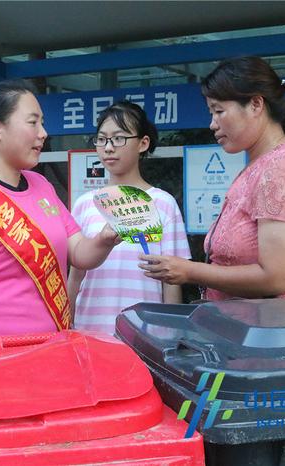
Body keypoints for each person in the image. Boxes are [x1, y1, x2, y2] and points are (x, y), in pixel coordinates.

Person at [0, 79, 120, 338]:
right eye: (33, 122)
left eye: (42, 123)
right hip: (0, 362)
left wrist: (105, 239)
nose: (43, 133)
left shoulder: (40, 184)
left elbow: (78, 252)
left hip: (51, 352)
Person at [140, 56, 285, 300]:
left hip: (267, 331)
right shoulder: (261, 165)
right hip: (243, 329)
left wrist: (189, 271)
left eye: (219, 111)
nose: (212, 124)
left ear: (256, 105)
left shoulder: (282, 168)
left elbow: (277, 278)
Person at [68, 101, 191, 334]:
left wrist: (168, 335)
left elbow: (170, 279)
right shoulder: (84, 204)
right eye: (102, 139)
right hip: (90, 332)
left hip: (146, 335)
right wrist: (66, 324)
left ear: (143, 143)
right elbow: (76, 274)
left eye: (119, 138)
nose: (108, 147)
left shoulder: (163, 203)